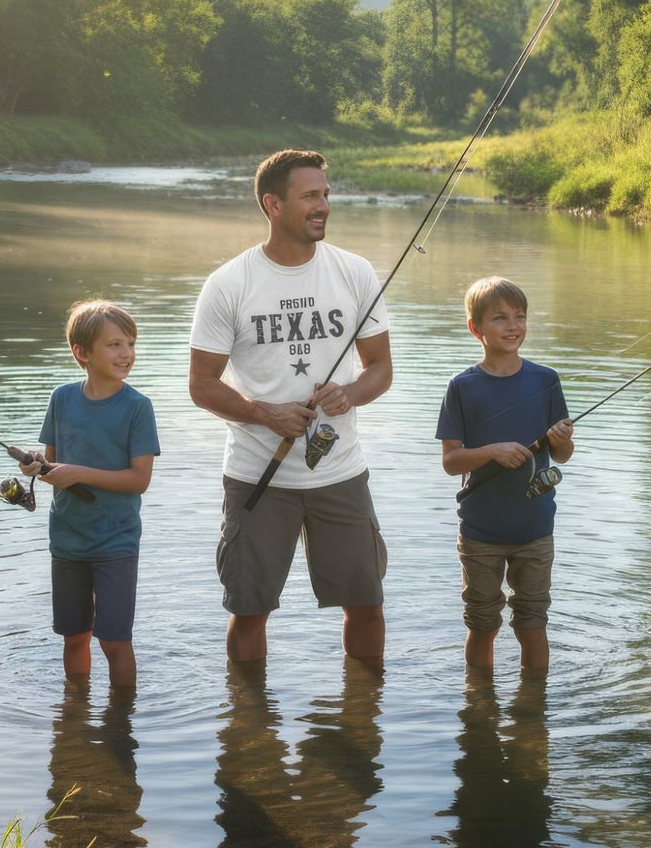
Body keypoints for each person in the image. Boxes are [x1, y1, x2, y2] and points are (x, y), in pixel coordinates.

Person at [189, 149, 392, 666]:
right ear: (273, 204)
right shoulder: (228, 284)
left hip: (341, 473)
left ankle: (362, 708)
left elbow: (380, 370)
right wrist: (264, 413)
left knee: (367, 606)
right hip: (257, 475)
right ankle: (248, 712)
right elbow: (202, 385)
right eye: (310, 196)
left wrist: (351, 394)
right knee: (249, 611)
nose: (323, 206)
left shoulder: (355, 272)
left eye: (325, 194)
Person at [436, 276, 574, 675]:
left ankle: (534, 704)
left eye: (520, 316)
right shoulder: (462, 386)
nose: (513, 326)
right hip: (480, 532)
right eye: (500, 318)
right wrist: (492, 452)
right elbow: (451, 461)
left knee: (533, 624)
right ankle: (479, 701)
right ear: (475, 328)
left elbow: (562, 455)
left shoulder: (546, 380)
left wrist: (562, 439)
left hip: (536, 529)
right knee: (482, 625)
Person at [20, 299, 160, 689]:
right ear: (81, 352)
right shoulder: (61, 398)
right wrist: (36, 467)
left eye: (130, 344)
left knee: (114, 641)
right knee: (74, 638)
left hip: (116, 542)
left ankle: (121, 717)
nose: (127, 353)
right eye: (114, 345)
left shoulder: (138, 407)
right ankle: (75, 713)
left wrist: (79, 473)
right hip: (67, 541)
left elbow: (139, 480)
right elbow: (52, 466)